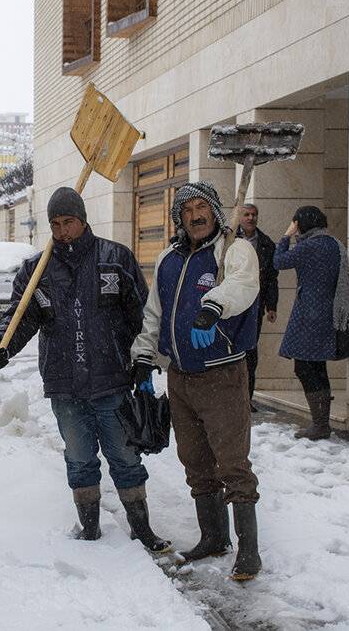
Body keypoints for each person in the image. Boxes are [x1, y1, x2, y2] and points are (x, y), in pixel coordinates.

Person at [0, 187, 170, 553]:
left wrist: (144, 360)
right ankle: (89, 529)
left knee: (125, 458)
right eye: (55, 224)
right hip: (64, 384)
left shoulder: (114, 259)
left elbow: (141, 315)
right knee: (79, 459)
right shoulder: (36, 270)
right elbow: (21, 316)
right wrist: (3, 342)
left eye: (67, 222)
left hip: (112, 380)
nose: (61, 231)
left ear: (82, 220)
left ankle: (143, 530)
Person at [130, 180, 263, 581]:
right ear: (179, 217)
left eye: (201, 207)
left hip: (222, 372)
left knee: (233, 464)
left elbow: (242, 287)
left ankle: (249, 552)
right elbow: (154, 313)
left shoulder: (233, 249)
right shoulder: (169, 258)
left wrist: (212, 308)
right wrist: (142, 356)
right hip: (180, 377)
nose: (195, 216)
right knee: (196, 462)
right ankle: (213, 537)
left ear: (216, 211)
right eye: (186, 211)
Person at [274, 205, 349, 441]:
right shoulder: (333, 244)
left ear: (301, 223)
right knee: (317, 366)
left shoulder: (308, 247)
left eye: (296, 222)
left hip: (308, 314)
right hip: (328, 313)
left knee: (305, 367)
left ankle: (320, 424)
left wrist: (286, 235)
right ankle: (321, 422)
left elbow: (278, 262)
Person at [238, 203, 279, 411]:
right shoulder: (227, 239)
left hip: (254, 306)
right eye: (246, 214)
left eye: (254, 214)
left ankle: (246, 398)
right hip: (230, 304)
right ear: (239, 216)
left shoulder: (266, 244)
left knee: (250, 352)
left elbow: (272, 278)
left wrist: (272, 306)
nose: (251, 218)